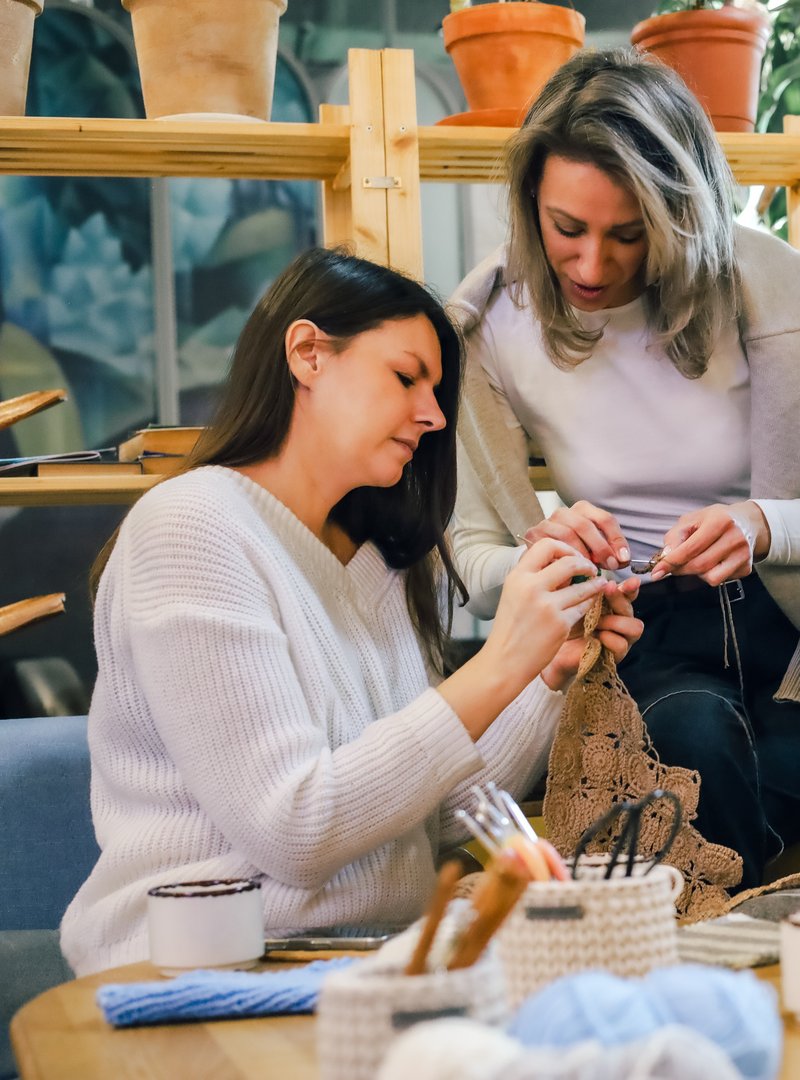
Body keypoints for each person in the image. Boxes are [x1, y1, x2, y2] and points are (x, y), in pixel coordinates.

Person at [60, 248, 641, 975]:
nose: (432, 417)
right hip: (197, 972)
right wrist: (503, 660)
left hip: (364, 961)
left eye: (436, 390)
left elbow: (426, 812)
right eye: (405, 378)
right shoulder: (190, 528)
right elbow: (298, 829)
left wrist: (546, 677)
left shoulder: (377, 560)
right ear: (307, 354)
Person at [447, 48, 800, 887]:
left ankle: (718, 927)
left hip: (794, 615)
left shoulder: (782, 292)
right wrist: (553, 569)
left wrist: (763, 525)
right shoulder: (493, 327)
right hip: (644, 624)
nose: (589, 266)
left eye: (629, 233)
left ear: (682, 214)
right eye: (565, 228)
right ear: (529, 203)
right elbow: (471, 550)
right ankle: (753, 940)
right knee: (696, 748)